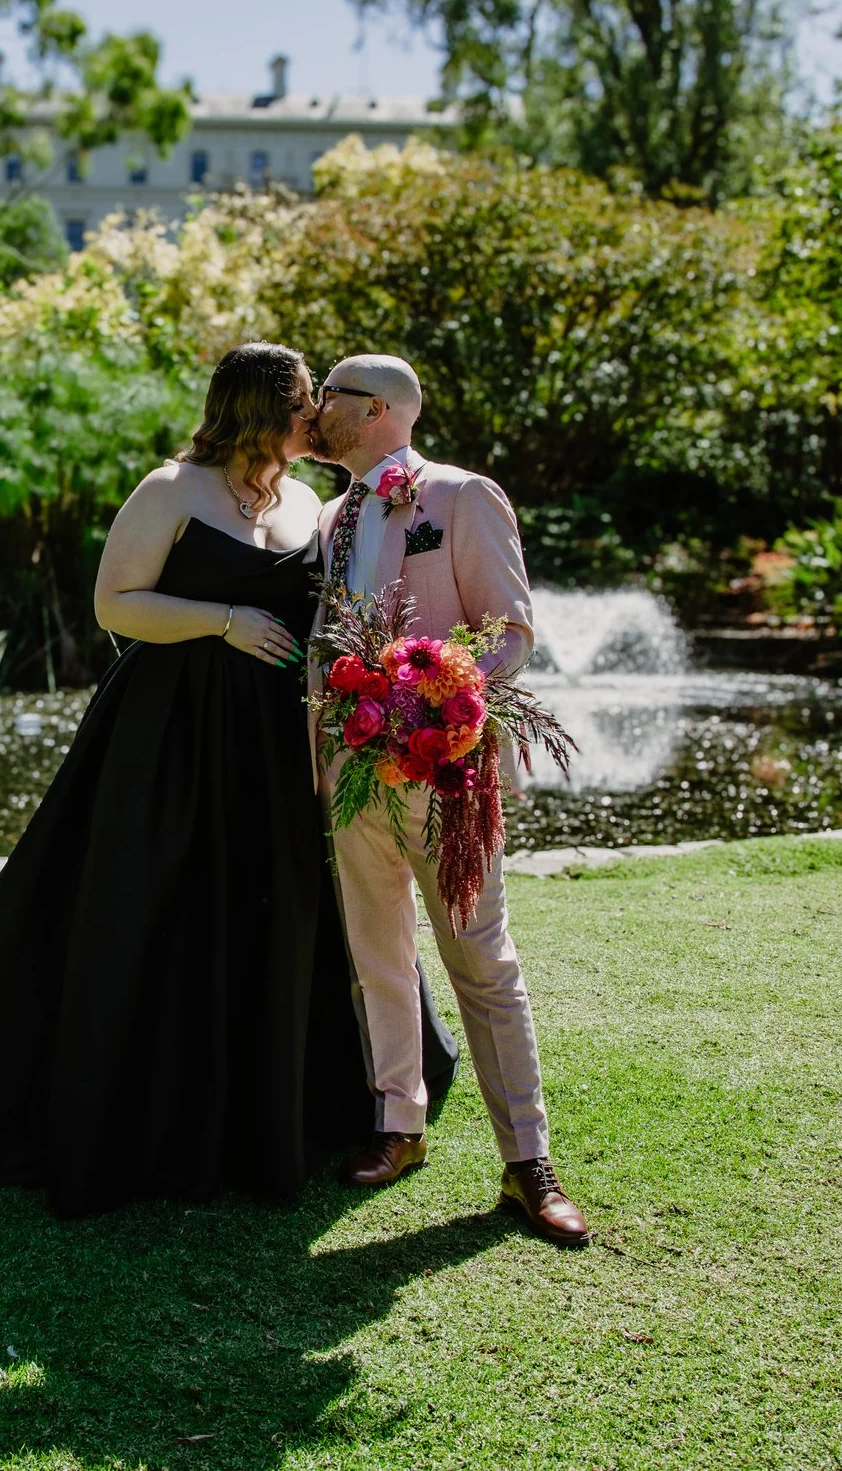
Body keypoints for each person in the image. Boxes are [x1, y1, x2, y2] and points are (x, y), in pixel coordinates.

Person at [0, 343, 452, 1217]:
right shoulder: (171, 490)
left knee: (266, 907)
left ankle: (273, 1104)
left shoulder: (313, 503)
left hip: (269, 742)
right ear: (259, 410)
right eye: (301, 405)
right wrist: (220, 620)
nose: (315, 418)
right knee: (148, 902)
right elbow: (115, 604)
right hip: (167, 735)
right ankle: (138, 1103)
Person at [307, 353, 591, 1247]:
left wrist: (441, 706)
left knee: (481, 960)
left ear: (379, 410)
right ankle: (400, 1125)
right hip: (348, 779)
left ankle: (527, 1161)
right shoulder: (327, 517)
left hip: (447, 774)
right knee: (376, 956)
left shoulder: (463, 497)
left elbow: (509, 631)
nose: (316, 414)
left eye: (331, 401)